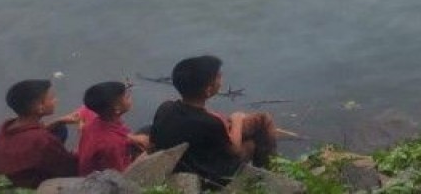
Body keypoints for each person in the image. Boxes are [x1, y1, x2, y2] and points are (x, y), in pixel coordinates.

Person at [149, 55, 277, 189]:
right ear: (208, 90)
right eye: (218, 77)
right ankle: (269, 178)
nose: (221, 78)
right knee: (253, 141)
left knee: (261, 120)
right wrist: (237, 119)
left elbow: (153, 142)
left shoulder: (165, 108)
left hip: (189, 159)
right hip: (212, 174)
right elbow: (235, 150)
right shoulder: (211, 122)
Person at [0, 80, 79, 188]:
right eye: (52, 98)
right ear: (39, 107)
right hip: (29, 188)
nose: (56, 100)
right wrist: (82, 148)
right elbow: (70, 170)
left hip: (3, 183)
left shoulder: (5, 126)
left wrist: (59, 121)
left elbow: (29, 133)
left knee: (59, 128)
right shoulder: (42, 140)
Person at [78, 81, 148, 175]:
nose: (130, 97)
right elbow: (119, 176)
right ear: (117, 109)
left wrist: (131, 138)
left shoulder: (96, 122)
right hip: (104, 180)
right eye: (127, 97)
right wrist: (144, 157)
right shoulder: (112, 144)